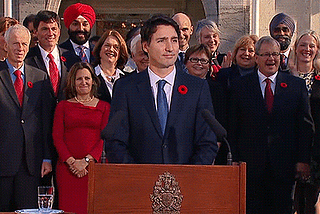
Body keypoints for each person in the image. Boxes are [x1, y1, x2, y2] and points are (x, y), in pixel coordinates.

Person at [104, 14, 217, 164]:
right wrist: (139, 177)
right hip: (139, 182)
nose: (170, 47)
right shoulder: (126, 88)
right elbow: (116, 142)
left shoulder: (197, 88)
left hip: (186, 182)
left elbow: (207, 142)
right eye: (161, 40)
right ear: (146, 46)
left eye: (174, 40)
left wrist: (187, 178)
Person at [228, 36, 314, 214]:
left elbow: (305, 127)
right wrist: (234, 158)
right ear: (256, 58)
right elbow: (233, 126)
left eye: (275, 54)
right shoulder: (239, 86)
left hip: (284, 166)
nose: (271, 59)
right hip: (250, 167)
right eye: (266, 54)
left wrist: (303, 160)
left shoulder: (295, 86)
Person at [0, 24, 52, 211]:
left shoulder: (40, 78)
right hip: (3, 162)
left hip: (31, 165)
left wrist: (47, 157)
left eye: (23, 44)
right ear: (6, 45)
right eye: (15, 43)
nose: (19, 48)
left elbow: (46, 121)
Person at [52, 62, 110, 214]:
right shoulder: (62, 106)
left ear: (93, 81)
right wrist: (72, 162)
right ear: (72, 82)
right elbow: (57, 137)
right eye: (79, 79)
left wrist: (86, 162)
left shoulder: (104, 107)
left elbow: (105, 138)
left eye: (87, 78)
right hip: (67, 169)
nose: (83, 82)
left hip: (94, 168)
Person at [289, 30, 320, 213]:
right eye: (303, 44)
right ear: (295, 47)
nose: (306, 49)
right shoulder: (283, 77)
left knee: (311, 203)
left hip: (315, 152)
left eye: (311, 46)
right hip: (289, 149)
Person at [184, 44, 227, 164]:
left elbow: (220, 121)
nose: (199, 64)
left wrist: (211, 153)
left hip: (208, 152)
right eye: (194, 59)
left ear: (209, 66)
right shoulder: (176, 88)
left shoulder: (217, 89)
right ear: (186, 62)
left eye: (203, 60)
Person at [26, 10, 68, 102]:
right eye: (45, 29)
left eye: (53, 29)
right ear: (36, 32)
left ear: (59, 32)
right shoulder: (27, 59)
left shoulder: (71, 58)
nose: (50, 33)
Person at [92, 29, 129, 104]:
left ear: (120, 53)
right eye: (107, 45)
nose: (111, 49)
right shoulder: (90, 76)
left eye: (116, 47)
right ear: (100, 49)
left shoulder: (128, 79)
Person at [59, 3, 96, 69]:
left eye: (85, 25)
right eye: (75, 24)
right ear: (69, 26)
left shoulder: (98, 52)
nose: (81, 29)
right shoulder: (59, 52)